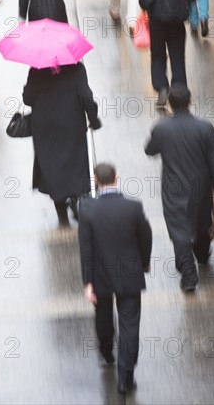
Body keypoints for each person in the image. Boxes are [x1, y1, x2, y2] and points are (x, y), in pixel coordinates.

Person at [78, 163, 152, 395]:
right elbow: (145, 236)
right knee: (130, 325)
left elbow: (85, 249)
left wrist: (87, 281)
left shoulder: (87, 210)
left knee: (103, 315)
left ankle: (107, 351)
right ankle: (126, 377)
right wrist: (144, 261)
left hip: (100, 274)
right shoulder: (133, 207)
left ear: (95, 180)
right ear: (116, 179)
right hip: (130, 273)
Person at [144, 84, 214, 292]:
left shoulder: (161, 128)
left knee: (179, 231)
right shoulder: (205, 127)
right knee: (202, 222)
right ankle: (202, 254)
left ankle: (189, 277)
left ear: (170, 104)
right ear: (190, 101)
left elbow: (149, 150)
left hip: (174, 189)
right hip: (202, 186)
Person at [22, 62, 101, 225]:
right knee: (75, 162)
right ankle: (75, 198)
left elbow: (28, 99)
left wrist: (27, 87)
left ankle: (60, 209)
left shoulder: (36, 70)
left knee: (52, 166)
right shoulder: (76, 68)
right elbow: (86, 97)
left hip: (44, 127)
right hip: (71, 124)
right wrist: (93, 119)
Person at [139, 0, 197, 107]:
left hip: (157, 24)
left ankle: (162, 87)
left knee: (158, 56)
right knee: (177, 57)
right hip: (177, 24)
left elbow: (145, 1)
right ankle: (179, 92)